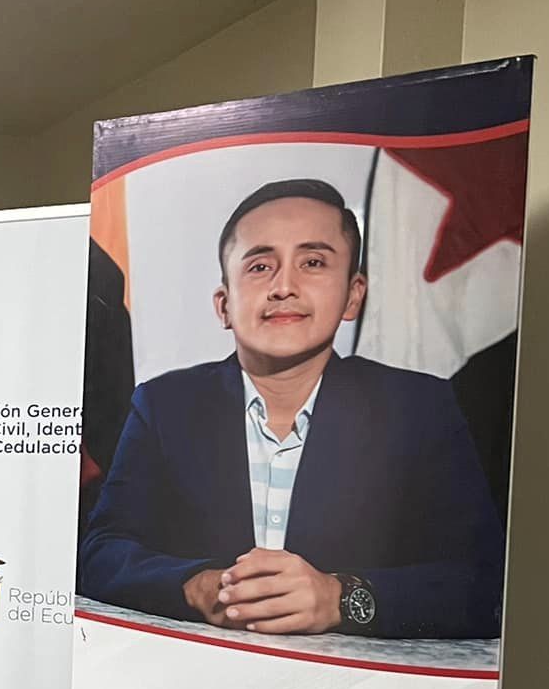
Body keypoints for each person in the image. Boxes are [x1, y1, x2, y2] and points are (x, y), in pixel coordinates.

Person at [77, 178, 505, 639]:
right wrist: (195, 586)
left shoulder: (419, 409)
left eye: (313, 262)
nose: (284, 286)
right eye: (260, 266)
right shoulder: (164, 406)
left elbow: (484, 584)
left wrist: (339, 597)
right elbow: (101, 553)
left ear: (353, 295)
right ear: (224, 305)